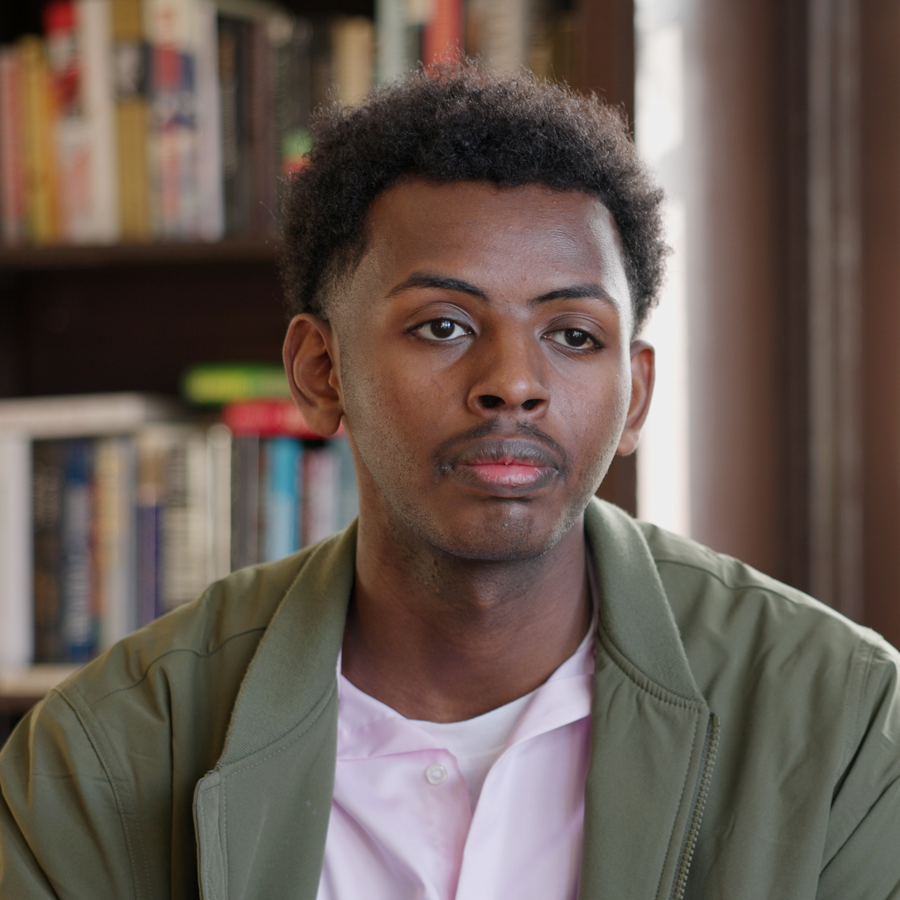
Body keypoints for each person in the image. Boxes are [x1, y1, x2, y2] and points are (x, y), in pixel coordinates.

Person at [2, 63, 900, 900]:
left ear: (636, 396)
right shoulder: (107, 755)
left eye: (575, 335)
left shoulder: (847, 726)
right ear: (320, 372)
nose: (515, 381)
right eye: (442, 325)